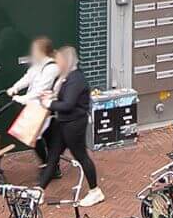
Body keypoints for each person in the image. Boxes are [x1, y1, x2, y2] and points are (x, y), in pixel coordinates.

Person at [42, 44, 104, 207]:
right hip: (63, 123)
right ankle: (39, 190)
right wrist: (51, 96)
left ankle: (95, 191)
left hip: (74, 124)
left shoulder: (76, 79)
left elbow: (68, 104)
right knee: (53, 157)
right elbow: (63, 98)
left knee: (81, 156)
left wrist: (49, 103)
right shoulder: (66, 77)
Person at [7, 36, 60, 167]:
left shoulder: (52, 68)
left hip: (45, 108)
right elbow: (28, 77)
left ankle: (48, 165)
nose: (33, 52)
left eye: (35, 50)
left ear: (42, 51)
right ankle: (50, 164)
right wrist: (15, 88)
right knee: (41, 135)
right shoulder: (38, 64)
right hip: (35, 106)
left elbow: (40, 89)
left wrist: (22, 98)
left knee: (36, 135)